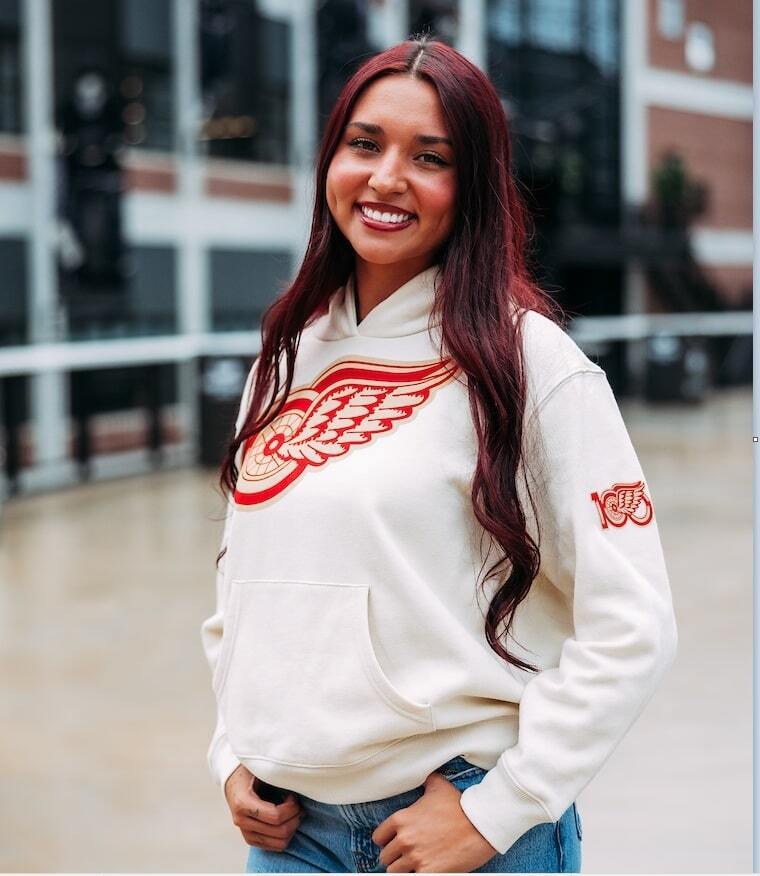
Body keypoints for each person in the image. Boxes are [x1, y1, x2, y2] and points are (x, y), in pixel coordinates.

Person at [201, 36, 678, 874]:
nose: (387, 178)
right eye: (365, 143)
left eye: (431, 157)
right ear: (330, 161)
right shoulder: (285, 358)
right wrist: (234, 748)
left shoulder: (530, 365)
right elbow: (242, 590)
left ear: (473, 189)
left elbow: (634, 625)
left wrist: (503, 808)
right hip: (289, 831)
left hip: (459, 824)